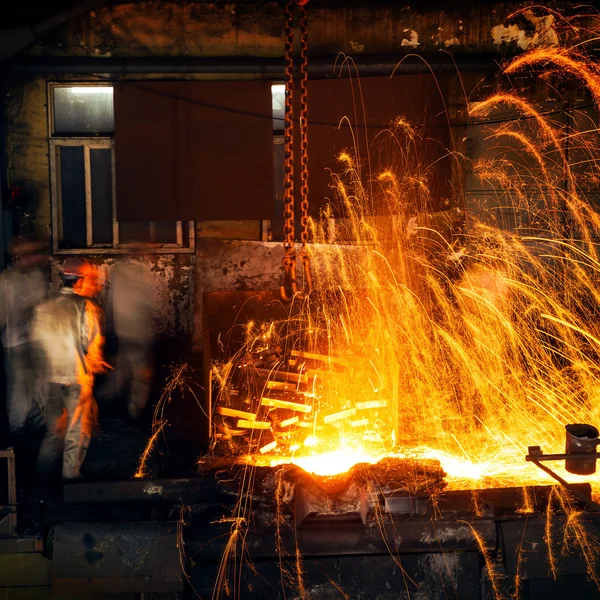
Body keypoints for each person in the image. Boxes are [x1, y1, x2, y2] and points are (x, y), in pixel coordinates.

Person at [32, 258, 105, 481]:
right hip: (76, 376)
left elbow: (37, 343)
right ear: (80, 281)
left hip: (49, 377)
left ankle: (41, 476)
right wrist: (96, 362)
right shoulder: (85, 306)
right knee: (77, 430)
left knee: (54, 430)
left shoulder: (43, 306)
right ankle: (70, 475)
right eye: (90, 280)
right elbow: (89, 343)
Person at [0, 236, 48, 436]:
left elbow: (43, 306)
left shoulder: (36, 276)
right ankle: (17, 427)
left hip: (36, 339)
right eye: (30, 255)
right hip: (16, 342)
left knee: (39, 381)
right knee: (20, 385)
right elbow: (3, 316)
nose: (35, 259)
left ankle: (36, 421)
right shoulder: (6, 281)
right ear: (19, 257)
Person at [106, 256, 154, 419]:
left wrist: (111, 328)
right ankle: (135, 410)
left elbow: (111, 305)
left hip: (124, 331)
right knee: (140, 374)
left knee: (122, 367)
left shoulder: (118, 276)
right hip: (137, 334)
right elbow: (144, 309)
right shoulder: (140, 275)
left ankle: (106, 397)